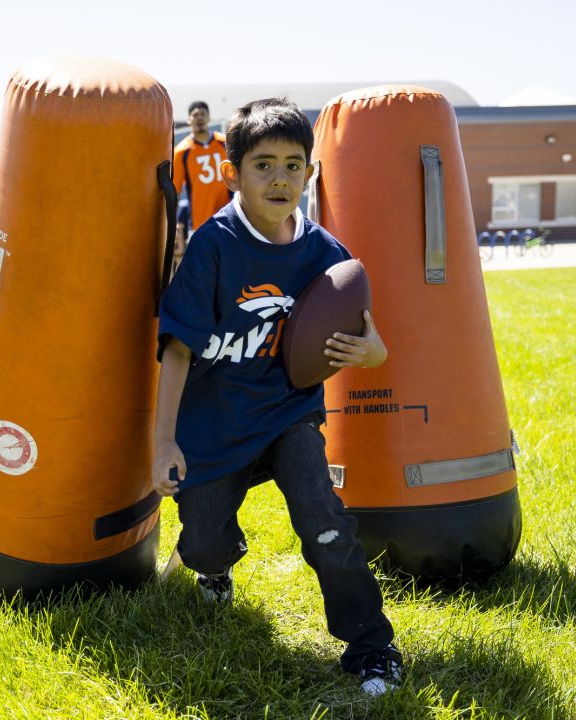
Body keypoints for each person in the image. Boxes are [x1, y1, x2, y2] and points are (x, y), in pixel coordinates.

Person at [153, 98, 403, 697]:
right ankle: (215, 567)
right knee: (203, 543)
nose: (280, 178)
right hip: (215, 427)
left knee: (326, 524)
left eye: (294, 165)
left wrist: (374, 355)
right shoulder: (215, 246)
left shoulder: (326, 256)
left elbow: (374, 341)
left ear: (310, 175)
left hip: (288, 416)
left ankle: (372, 647)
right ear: (233, 172)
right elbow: (179, 349)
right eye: (263, 164)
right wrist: (162, 439)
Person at [171, 101, 231, 269]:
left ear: (209, 118)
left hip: (228, 219)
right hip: (199, 223)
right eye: (195, 115)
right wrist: (175, 225)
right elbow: (174, 190)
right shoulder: (182, 151)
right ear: (189, 120)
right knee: (203, 269)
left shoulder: (224, 144)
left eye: (202, 114)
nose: (199, 118)